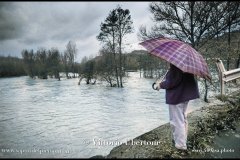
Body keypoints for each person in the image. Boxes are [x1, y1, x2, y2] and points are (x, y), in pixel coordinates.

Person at [156, 63, 200, 150]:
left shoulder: (176, 64)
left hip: (177, 96)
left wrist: (160, 85)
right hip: (184, 95)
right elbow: (178, 78)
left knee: (176, 121)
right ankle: (183, 141)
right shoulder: (185, 64)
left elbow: (172, 82)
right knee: (182, 118)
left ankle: (180, 145)